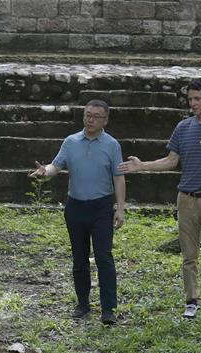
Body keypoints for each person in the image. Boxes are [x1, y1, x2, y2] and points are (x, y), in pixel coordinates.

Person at [118, 78, 201, 325]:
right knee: (189, 255)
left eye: (197, 99)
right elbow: (171, 161)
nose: (193, 104)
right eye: (190, 99)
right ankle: (192, 302)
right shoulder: (183, 127)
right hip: (186, 200)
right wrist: (142, 166)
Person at [31, 99, 126, 325]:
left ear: (105, 120)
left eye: (95, 116)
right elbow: (57, 165)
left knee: (104, 257)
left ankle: (108, 309)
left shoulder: (112, 145)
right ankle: (82, 304)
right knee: (79, 257)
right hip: (75, 206)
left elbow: (118, 177)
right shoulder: (71, 141)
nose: (90, 119)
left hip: (101, 207)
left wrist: (120, 208)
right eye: (87, 114)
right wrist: (46, 172)